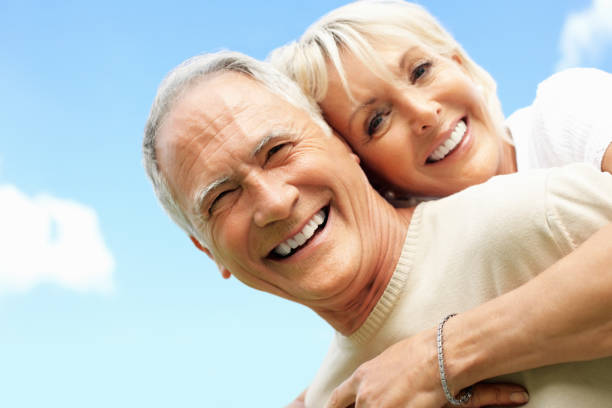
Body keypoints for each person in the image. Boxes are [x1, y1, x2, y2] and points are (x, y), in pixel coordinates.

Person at [142, 51, 612, 408]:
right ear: (209, 254)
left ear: (340, 143)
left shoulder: (529, 216)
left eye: (278, 150)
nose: (273, 202)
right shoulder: (335, 396)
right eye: (222, 198)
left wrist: (441, 358)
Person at [269, 1, 612, 405]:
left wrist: (440, 358)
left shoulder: (564, 111)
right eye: (377, 120)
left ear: (459, 63)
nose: (423, 113)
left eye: (420, 71)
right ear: (365, 176)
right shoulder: (416, 273)